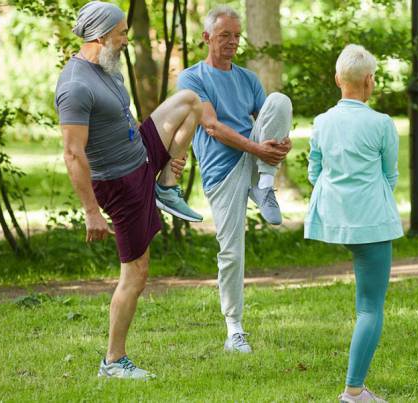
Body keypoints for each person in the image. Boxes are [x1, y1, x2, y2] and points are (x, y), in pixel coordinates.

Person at [55, 1, 203, 379]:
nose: (125, 39)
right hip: (119, 182)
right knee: (136, 272)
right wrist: (91, 211)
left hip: (140, 154)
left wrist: (166, 156)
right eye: (121, 33)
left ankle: (167, 186)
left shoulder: (106, 68)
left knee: (191, 102)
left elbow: (122, 116)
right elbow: (73, 154)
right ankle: (113, 361)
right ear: (100, 35)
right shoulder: (75, 86)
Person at [177, 5, 292, 354]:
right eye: (225, 35)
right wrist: (259, 149)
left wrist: (281, 143)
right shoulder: (191, 78)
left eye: (236, 36)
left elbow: (268, 118)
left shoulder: (247, 78)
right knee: (231, 250)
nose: (232, 42)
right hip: (222, 169)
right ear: (207, 37)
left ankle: (265, 186)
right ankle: (234, 329)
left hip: (254, 158)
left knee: (280, 100)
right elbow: (211, 127)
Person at [305, 44, 402, 403]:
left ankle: (356, 390)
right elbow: (389, 177)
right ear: (369, 81)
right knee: (369, 307)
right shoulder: (381, 123)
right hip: (370, 221)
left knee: (366, 303)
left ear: (337, 80)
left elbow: (315, 172)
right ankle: (354, 391)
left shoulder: (321, 122)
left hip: (332, 219)